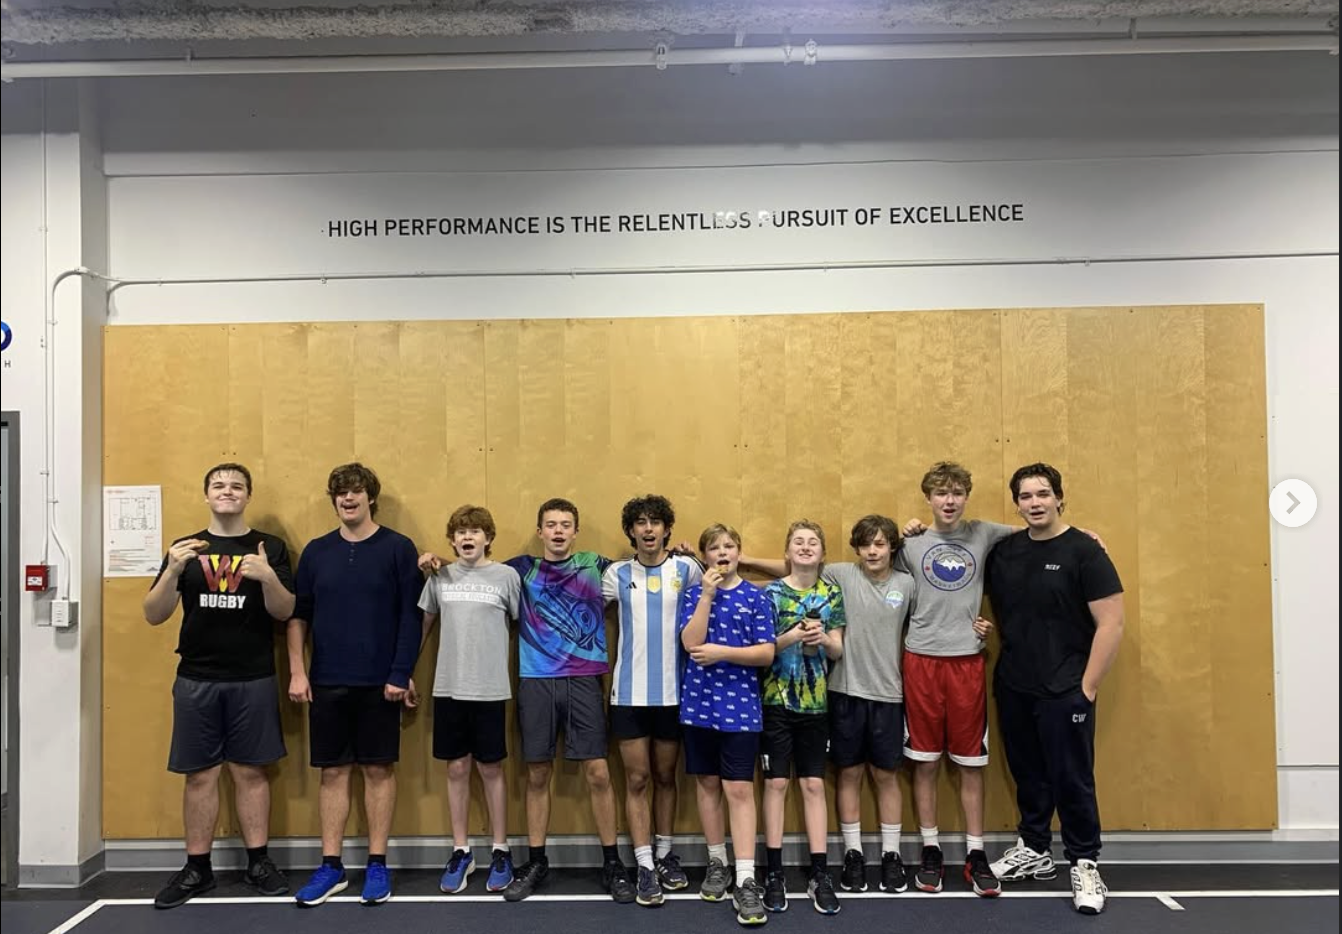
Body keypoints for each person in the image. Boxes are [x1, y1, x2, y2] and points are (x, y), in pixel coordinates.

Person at [144, 462, 295, 909]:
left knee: (251, 772)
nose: (227, 491)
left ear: (248, 495)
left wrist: (268, 577)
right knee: (200, 775)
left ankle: (258, 863)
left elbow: (285, 611)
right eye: (219, 485)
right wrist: (172, 571)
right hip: (197, 677)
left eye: (236, 486)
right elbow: (153, 614)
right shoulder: (184, 548)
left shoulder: (270, 547)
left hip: (253, 676)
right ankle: (198, 869)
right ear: (206, 494)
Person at [984, 463, 1124, 915]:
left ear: (1060, 498)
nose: (1035, 503)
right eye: (1026, 496)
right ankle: (1034, 848)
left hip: (1066, 688)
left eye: (1043, 494)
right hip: (1015, 684)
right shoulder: (1004, 553)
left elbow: (1111, 624)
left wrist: (1088, 686)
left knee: (1072, 777)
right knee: (1027, 772)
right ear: (1017, 504)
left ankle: (1084, 862)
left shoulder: (1085, 551)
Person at [286, 463, 424, 907]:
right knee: (333, 773)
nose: (348, 498)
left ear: (370, 497)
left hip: (380, 683)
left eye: (356, 491)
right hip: (327, 680)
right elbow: (299, 615)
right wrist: (297, 670)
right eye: (341, 492)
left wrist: (400, 672)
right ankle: (331, 867)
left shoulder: (398, 548)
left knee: (379, 771)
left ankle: (377, 864)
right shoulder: (316, 552)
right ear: (334, 500)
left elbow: (412, 616)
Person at [500, 498, 633, 903]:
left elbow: (646, 568)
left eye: (565, 525)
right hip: (536, 680)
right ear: (539, 531)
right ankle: (536, 861)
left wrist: (681, 553)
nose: (558, 531)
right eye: (551, 524)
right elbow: (475, 572)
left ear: (576, 531)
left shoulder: (597, 565)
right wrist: (436, 564)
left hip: (584, 679)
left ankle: (612, 862)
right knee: (538, 774)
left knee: (598, 772)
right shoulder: (520, 569)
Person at [898, 461, 1014, 898]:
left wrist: (1086, 536)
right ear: (928, 499)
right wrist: (905, 530)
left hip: (966, 661)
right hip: (921, 660)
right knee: (925, 761)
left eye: (957, 493)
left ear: (967, 496)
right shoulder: (909, 543)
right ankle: (930, 849)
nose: (949, 501)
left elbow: (1039, 531)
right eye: (941, 493)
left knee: (969, 763)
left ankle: (975, 853)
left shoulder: (983, 533)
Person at [602, 495, 702, 907]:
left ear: (666, 529)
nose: (648, 529)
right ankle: (643, 865)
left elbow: (715, 598)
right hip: (628, 695)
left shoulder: (688, 569)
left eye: (655, 522)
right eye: (640, 522)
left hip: (675, 694)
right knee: (637, 779)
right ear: (631, 530)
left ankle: (665, 855)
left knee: (665, 776)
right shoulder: (615, 574)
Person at [417, 505, 521, 895]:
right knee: (457, 768)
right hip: (449, 688)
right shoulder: (439, 577)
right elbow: (424, 625)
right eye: (461, 532)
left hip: (490, 689)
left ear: (488, 538)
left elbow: (521, 626)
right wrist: (405, 672)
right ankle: (461, 850)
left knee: (491, 769)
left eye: (475, 531)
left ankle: (500, 849)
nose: (468, 537)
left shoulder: (506, 577)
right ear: (452, 539)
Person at [679, 523, 776, 926]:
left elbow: (766, 653)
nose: (723, 552)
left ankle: (746, 877)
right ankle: (716, 861)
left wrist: (723, 653)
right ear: (704, 557)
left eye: (730, 546)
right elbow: (690, 642)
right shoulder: (692, 595)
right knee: (707, 784)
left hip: (741, 709)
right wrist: (706, 595)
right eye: (715, 547)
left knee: (738, 788)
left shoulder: (756, 597)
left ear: (739, 552)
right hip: (698, 706)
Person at [759, 521, 846, 915]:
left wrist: (823, 638)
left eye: (813, 542)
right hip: (775, 701)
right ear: (787, 551)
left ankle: (819, 873)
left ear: (822, 553)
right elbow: (763, 648)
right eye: (798, 541)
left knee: (813, 784)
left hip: (816, 705)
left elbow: (838, 650)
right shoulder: (772, 593)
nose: (806, 547)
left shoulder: (831, 594)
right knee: (776, 783)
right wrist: (791, 637)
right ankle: (774, 873)